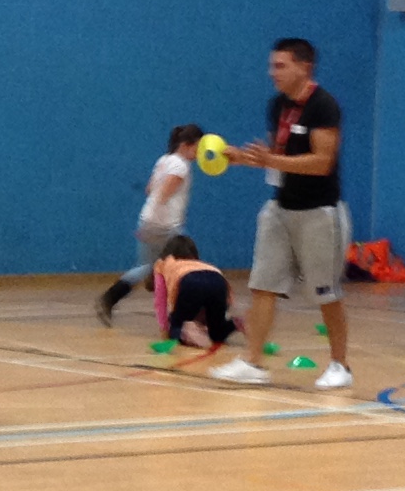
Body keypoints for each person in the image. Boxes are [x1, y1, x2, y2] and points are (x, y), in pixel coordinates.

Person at [210, 37, 355, 390]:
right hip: (280, 209)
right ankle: (253, 362)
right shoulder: (277, 105)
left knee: (326, 293)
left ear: (304, 67)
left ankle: (340, 365)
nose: (272, 72)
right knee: (263, 285)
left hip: (319, 214)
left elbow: (322, 162)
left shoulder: (323, 106)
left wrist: (271, 160)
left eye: (280, 66)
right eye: (271, 65)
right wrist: (241, 157)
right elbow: (277, 158)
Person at [94, 124, 202, 325]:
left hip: (147, 220)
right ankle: (192, 317)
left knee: (145, 267)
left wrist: (147, 224)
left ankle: (109, 298)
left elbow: (149, 189)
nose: (199, 153)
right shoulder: (181, 166)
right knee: (190, 268)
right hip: (167, 226)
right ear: (186, 145)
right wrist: (164, 212)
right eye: (197, 147)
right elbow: (163, 194)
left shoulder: (164, 160)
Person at [149, 234, 243, 369]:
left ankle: (185, 330)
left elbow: (160, 301)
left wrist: (165, 331)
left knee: (176, 325)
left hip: (189, 281)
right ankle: (235, 323)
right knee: (216, 333)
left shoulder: (162, 264)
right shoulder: (201, 264)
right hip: (219, 281)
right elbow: (223, 300)